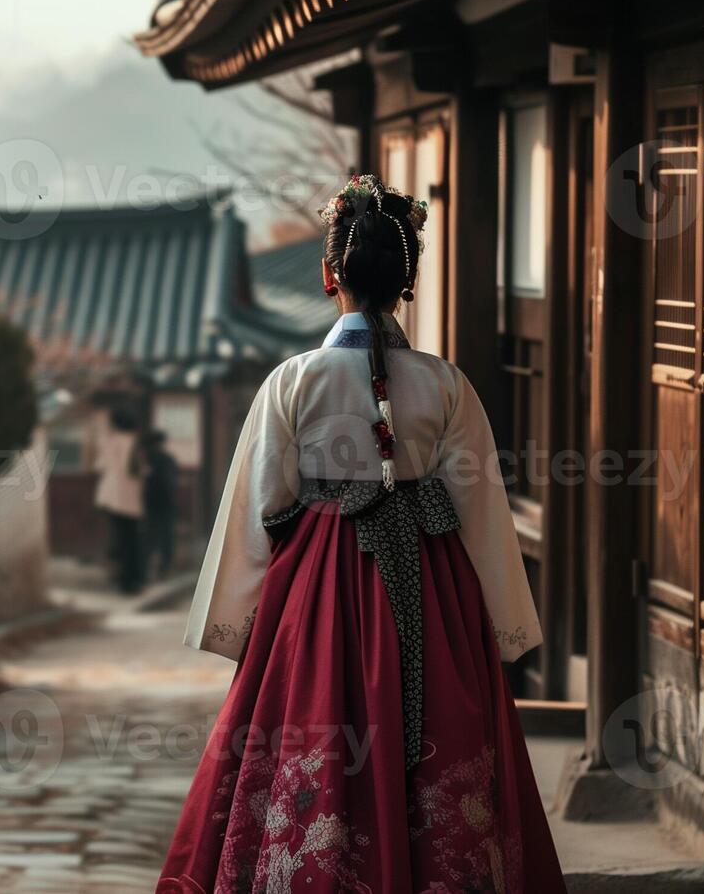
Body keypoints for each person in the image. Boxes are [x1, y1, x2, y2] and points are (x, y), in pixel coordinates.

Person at [156, 175, 565, 892]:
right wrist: (500, 625)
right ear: (407, 280)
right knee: (440, 738)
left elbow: (259, 505)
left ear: (327, 276)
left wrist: (238, 625)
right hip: (431, 583)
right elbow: (481, 513)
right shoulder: (444, 385)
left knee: (311, 725)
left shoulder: (292, 381)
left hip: (314, 586)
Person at [95, 407, 146, 594]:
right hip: (132, 498)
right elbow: (141, 471)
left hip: (113, 498)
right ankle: (135, 580)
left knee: (120, 540)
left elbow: (101, 465)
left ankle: (124, 580)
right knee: (133, 540)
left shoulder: (111, 442)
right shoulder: (136, 442)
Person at [140, 429, 179, 579]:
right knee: (165, 537)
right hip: (166, 503)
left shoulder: (148, 459)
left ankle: (149, 569)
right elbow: (172, 481)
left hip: (152, 504)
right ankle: (164, 568)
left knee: (151, 537)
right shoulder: (167, 459)